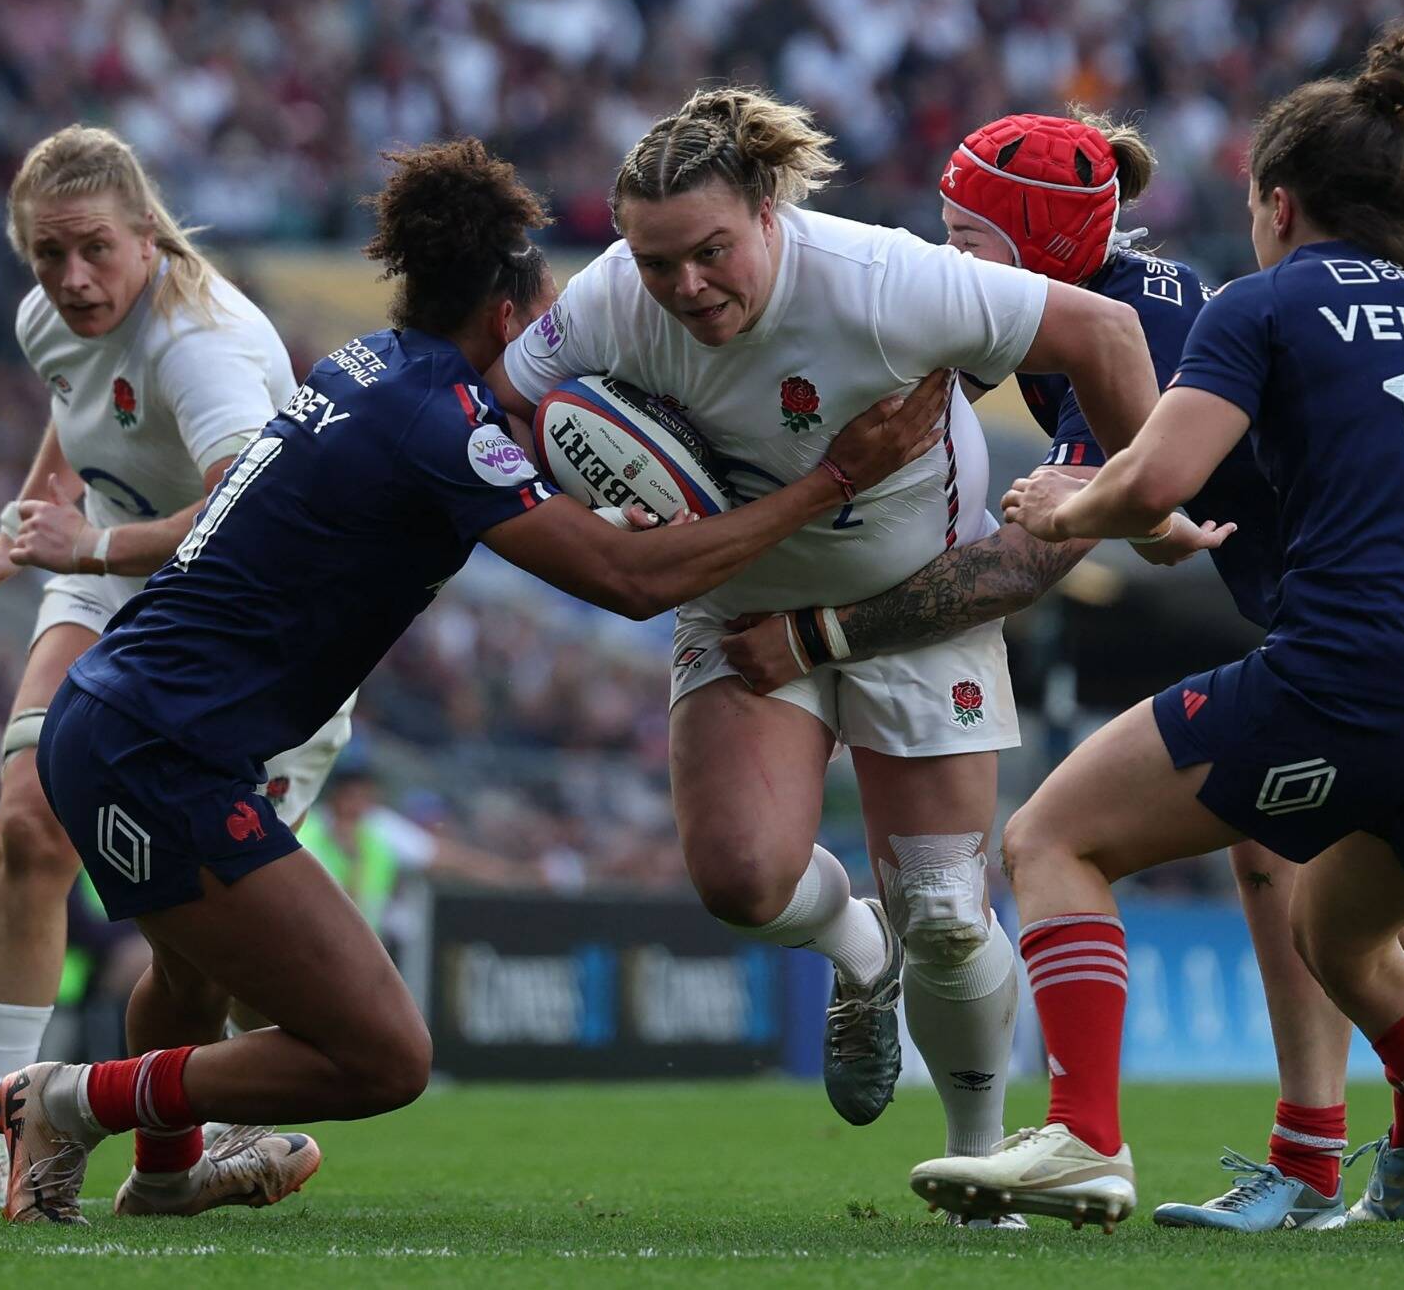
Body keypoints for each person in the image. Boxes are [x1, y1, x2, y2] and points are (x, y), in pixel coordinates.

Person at [0, 137, 949, 1225]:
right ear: (511, 314)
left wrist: (593, 497)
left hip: (123, 721)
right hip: (153, 750)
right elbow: (630, 584)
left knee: (188, 968)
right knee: (382, 1056)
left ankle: (164, 1175)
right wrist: (833, 478)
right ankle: (69, 1101)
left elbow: (492, 484)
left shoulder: (371, 368)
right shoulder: (435, 423)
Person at [726, 108, 1404, 1233]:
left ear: (1034, 247)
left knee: (1086, 840)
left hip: (1335, 628)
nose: (943, 257)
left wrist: (814, 634)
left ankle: (1139, 1138)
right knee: (1314, 867)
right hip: (1373, 623)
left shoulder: (1118, 322)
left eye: (965, 235)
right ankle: (1375, 1150)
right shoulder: (1053, 297)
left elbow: (1029, 562)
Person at [909, 26, 1404, 1245]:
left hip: (1353, 657)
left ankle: (1083, 1134)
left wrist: (1079, 504)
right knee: (1342, 925)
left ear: (1277, 203)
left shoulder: (1255, 303)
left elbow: (1152, 482)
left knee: (1054, 836)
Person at [483, 87, 1167, 1197]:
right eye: (657, 261)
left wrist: (1150, 500)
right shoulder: (613, 297)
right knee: (740, 881)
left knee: (946, 910)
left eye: (708, 252)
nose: (684, 286)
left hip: (914, 604)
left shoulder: (884, 279)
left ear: (766, 213)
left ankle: (979, 1161)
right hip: (741, 602)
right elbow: (506, 410)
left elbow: (1105, 329)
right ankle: (858, 953)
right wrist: (589, 500)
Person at [0, 125, 354, 1202]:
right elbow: (76, 409)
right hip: (111, 576)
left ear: (146, 235)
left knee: (212, 934)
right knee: (28, 820)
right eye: (48, 255)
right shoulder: (49, 312)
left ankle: (247, 1114)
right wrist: (29, 525)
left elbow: (247, 513)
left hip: (248, 614)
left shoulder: (197, 343)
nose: (71, 278)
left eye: (93, 251)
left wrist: (93, 543)